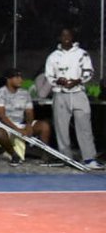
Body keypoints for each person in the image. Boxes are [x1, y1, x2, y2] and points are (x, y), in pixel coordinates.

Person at [44, 27, 103, 169]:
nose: (66, 37)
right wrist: (59, 81)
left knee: (84, 126)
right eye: (63, 35)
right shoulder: (53, 56)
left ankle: (89, 159)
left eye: (68, 35)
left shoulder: (82, 54)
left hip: (78, 93)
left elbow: (89, 72)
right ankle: (66, 157)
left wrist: (78, 81)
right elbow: (49, 75)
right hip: (61, 94)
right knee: (61, 127)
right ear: (60, 37)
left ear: (72, 37)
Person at [0, 67, 53, 166]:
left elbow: (29, 112)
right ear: (9, 79)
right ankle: (14, 155)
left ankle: (45, 155)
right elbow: (2, 116)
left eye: (20, 77)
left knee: (44, 126)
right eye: (17, 77)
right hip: (5, 125)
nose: (20, 80)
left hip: (20, 123)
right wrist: (16, 129)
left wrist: (28, 125)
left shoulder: (25, 93)